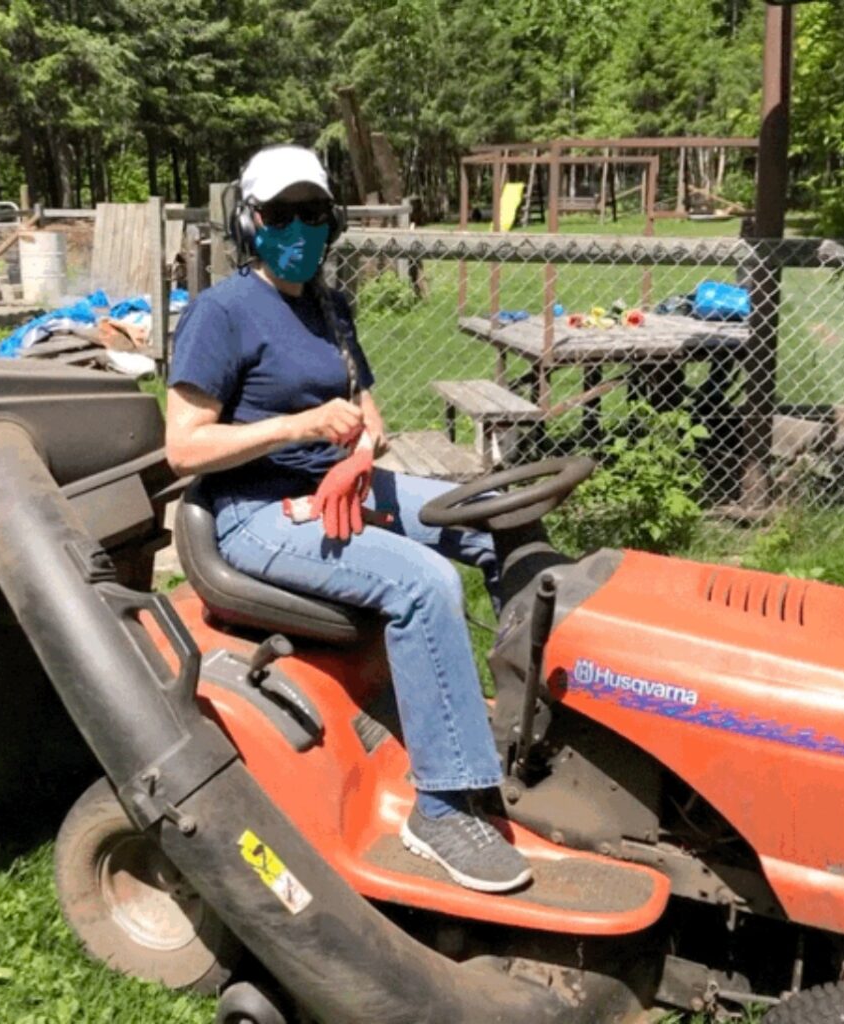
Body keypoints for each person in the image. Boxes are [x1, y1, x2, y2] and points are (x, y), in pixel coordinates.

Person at [165, 144, 531, 894]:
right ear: (251, 222)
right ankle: (440, 806)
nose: (300, 228)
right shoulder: (222, 312)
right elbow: (183, 446)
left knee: (502, 516)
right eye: (282, 214)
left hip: (342, 490)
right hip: (254, 513)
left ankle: (530, 724)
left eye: (314, 213)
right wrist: (297, 430)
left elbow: (371, 418)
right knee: (426, 582)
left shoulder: (331, 306)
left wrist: (360, 452)